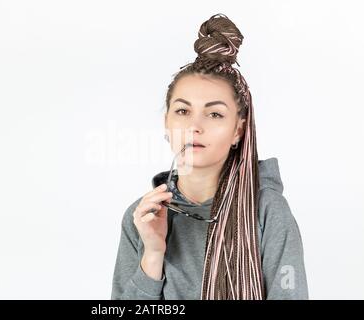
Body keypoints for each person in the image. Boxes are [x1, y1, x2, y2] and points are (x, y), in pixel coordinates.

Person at [111, 13, 308, 300]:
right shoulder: (142, 217)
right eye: (182, 111)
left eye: (215, 114)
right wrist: (152, 256)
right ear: (167, 122)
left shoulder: (267, 211)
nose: (195, 126)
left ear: (238, 131)